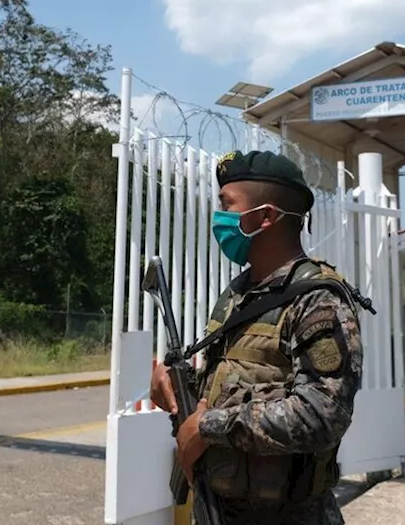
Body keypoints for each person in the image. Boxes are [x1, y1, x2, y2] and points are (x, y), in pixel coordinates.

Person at [150, 149, 367, 525]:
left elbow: (322, 414)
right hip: (221, 509)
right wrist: (176, 393)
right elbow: (232, 386)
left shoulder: (317, 300)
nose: (220, 218)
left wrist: (209, 427)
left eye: (227, 205)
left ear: (265, 216)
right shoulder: (238, 294)